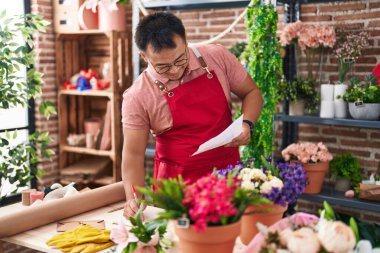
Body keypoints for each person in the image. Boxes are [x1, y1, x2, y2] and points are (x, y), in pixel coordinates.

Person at [121, 12, 263, 218]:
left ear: (186, 41)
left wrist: (247, 123)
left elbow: (252, 93)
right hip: (176, 191)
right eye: (163, 66)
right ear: (144, 57)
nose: (175, 71)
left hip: (226, 178)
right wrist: (134, 200)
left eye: (180, 59)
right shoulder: (137, 95)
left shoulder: (217, 57)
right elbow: (133, 155)